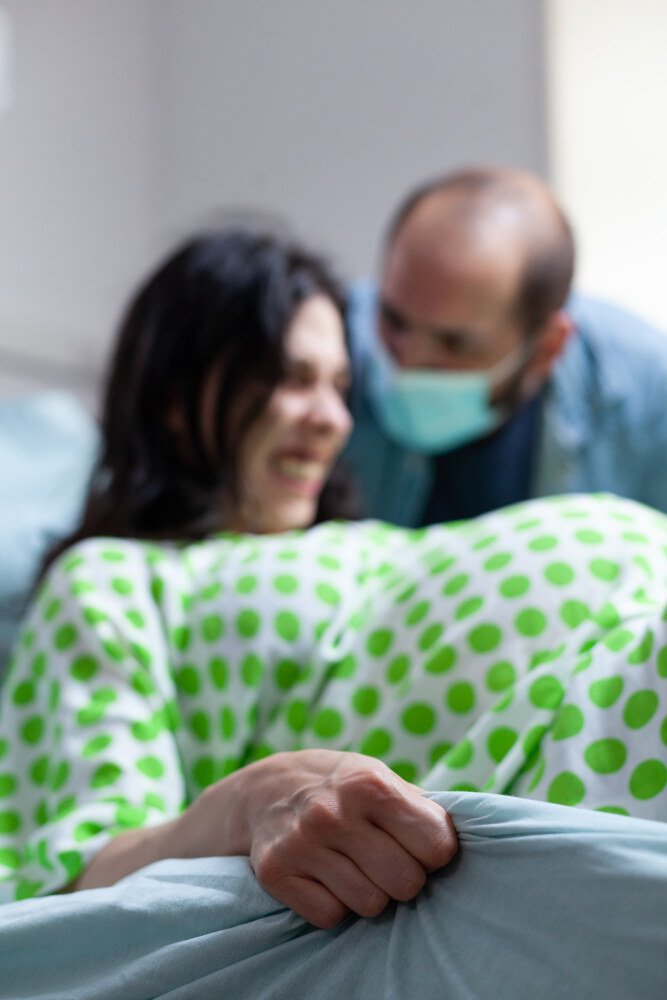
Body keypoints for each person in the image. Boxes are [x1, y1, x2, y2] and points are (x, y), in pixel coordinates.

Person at [344, 166, 667, 525]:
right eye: (394, 320)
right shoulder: (326, 346)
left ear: (546, 348)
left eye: (455, 343)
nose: (408, 362)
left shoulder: (650, 402)